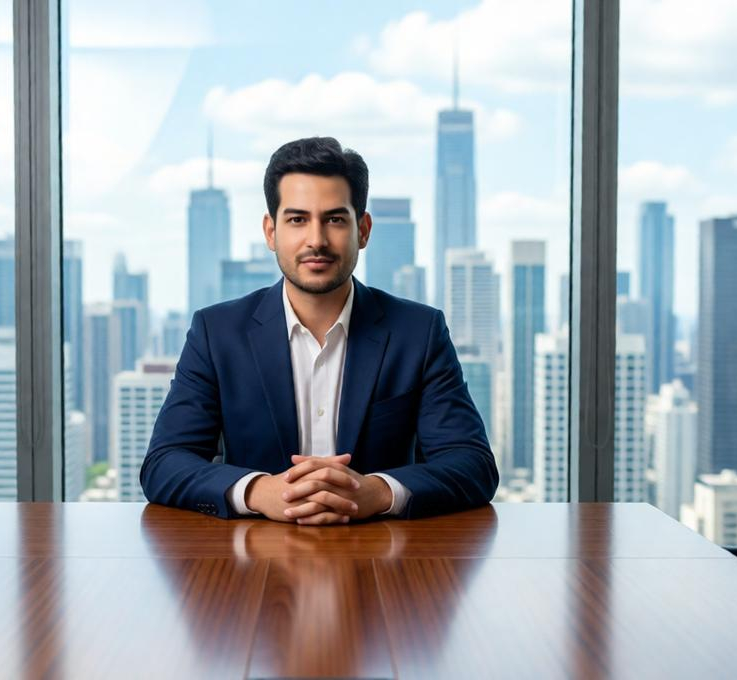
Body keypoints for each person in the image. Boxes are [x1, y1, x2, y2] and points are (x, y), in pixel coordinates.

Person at [140, 136, 498, 523]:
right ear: (270, 231)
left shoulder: (418, 332)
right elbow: (164, 462)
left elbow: (472, 464)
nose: (317, 240)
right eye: (297, 220)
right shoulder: (217, 332)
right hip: (253, 567)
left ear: (363, 230)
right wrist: (259, 491)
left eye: (334, 219)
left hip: (384, 566)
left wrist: (376, 492)